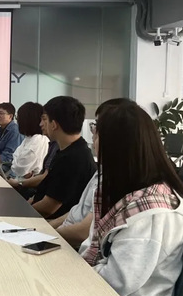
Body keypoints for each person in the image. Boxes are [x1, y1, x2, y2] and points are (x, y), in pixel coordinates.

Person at [79, 103, 183, 296]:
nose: (93, 142)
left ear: (115, 147)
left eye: (96, 135)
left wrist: (72, 274)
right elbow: (90, 245)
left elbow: (114, 283)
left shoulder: (151, 214)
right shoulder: (125, 194)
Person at [50, 98, 133, 249]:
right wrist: (46, 227)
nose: (93, 134)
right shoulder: (103, 169)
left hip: (73, 247)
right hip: (65, 237)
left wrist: (48, 233)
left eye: (97, 127)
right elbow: (77, 212)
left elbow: (83, 232)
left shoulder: (117, 180)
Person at [30, 96, 96, 219]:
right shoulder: (67, 150)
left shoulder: (73, 158)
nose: (40, 124)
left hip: (52, 222)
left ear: (54, 124)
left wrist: (20, 212)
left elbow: (48, 208)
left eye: (45, 119)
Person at [7, 102, 49, 179]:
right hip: (22, 180)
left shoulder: (38, 139)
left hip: (27, 183)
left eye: (18, 118)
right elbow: (15, 159)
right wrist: (17, 162)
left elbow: (19, 168)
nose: (17, 121)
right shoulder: (29, 138)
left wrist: (17, 162)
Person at [0, 102, 23, 171]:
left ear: (10, 116)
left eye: (1, 113)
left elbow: (8, 156)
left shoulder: (15, 131)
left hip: (6, 167)